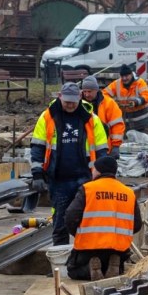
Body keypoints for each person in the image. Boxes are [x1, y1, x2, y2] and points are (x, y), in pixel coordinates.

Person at [30, 82, 109, 245]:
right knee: (60, 223)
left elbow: (101, 150)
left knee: (87, 222)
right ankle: (61, 260)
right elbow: (38, 146)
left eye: (73, 102)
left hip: (86, 179)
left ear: (80, 98)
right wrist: (37, 173)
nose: (70, 105)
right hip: (59, 180)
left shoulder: (91, 119)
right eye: (67, 102)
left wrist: (102, 173)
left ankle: (85, 259)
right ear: (60, 97)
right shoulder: (48, 117)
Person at [64, 155, 143, 280]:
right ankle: (113, 265)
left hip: (89, 248)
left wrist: (79, 234)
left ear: (98, 171)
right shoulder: (128, 192)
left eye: (94, 169)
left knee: (73, 270)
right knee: (119, 267)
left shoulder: (88, 189)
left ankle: (90, 269)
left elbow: (70, 216)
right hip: (118, 249)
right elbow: (137, 224)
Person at [81, 75, 125, 158]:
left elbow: (117, 124)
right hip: (83, 149)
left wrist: (116, 146)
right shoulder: (77, 103)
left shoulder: (109, 103)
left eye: (89, 91)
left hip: (103, 148)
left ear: (96, 90)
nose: (86, 94)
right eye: (84, 91)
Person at [104, 64, 148, 132]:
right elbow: (104, 94)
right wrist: (112, 103)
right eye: (122, 76)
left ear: (131, 74)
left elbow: (146, 95)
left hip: (141, 122)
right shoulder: (117, 84)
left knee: (142, 141)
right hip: (125, 121)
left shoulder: (139, 82)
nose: (124, 78)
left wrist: (136, 102)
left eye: (126, 76)